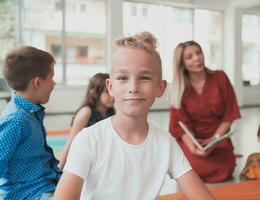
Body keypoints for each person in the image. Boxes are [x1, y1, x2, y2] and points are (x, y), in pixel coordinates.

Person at [53, 32, 215, 200]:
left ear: (160, 87)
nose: (133, 87)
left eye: (144, 77)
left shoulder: (166, 143)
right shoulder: (88, 140)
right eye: (123, 77)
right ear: (110, 86)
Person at [169, 41, 241, 183]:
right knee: (191, 166)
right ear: (182, 64)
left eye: (199, 53)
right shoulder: (179, 89)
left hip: (217, 136)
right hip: (193, 140)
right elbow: (179, 127)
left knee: (227, 167)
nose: (197, 58)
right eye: (189, 57)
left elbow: (229, 115)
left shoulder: (220, 77)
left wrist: (214, 139)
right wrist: (194, 148)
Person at [0, 46, 61, 199]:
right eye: (51, 78)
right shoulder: (16, 119)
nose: (54, 84)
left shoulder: (30, 112)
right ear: (37, 83)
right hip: (30, 193)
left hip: (46, 183)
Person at [58, 73, 114, 169]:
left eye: (112, 90)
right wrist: (59, 170)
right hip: (84, 162)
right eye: (107, 91)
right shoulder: (86, 112)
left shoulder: (111, 112)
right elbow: (71, 142)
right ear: (94, 93)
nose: (112, 95)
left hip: (101, 163)